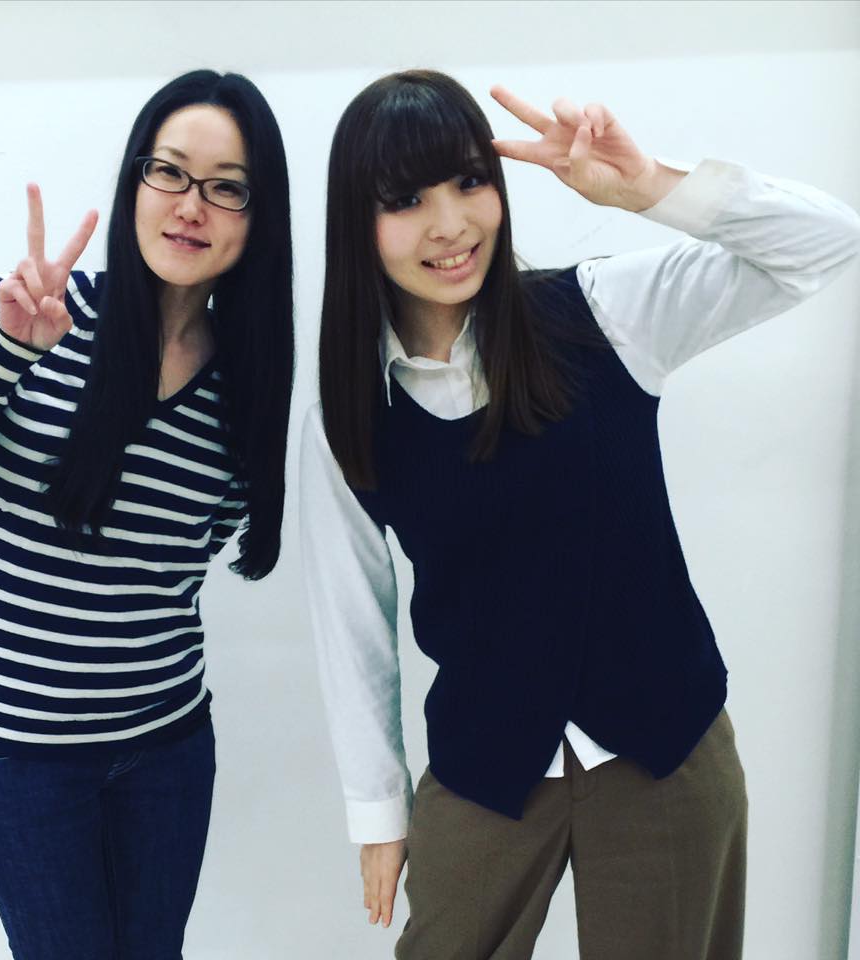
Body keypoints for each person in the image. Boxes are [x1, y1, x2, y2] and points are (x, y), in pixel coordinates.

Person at [300, 69, 860, 960]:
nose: (450, 224)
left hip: (666, 748)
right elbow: (351, 622)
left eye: (470, 181)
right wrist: (378, 812)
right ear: (354, 223)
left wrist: (648, 188)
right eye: (405, 200)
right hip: (487, 766)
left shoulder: (603, 310)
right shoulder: (348, 410)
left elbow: (827, 242)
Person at [0, 70, 293, 959]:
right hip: (21, 761)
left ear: (257, 216)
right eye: (170, 171)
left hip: (166, 749)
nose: (190, 205)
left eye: (227, 187)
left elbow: (187, 561)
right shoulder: (31, 310)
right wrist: (6, 352)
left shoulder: (245, 381)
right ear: (134, 180)